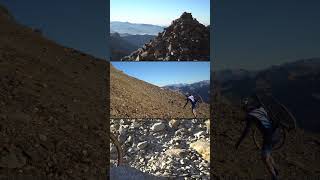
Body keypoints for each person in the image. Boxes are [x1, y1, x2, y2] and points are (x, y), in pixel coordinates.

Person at [235, 95, 280, 180]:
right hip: (277, 133)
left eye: (243, 108)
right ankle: (276, 170)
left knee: (264, 157)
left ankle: (274, 177)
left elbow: (246, 131)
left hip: (269, 136)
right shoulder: (260, 108)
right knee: (268, 154)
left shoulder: (250, 115)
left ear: (245, 107)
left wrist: (238, 143)